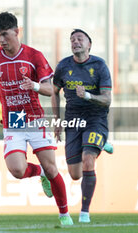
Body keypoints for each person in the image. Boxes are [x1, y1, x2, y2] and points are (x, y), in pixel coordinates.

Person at [0, 12, 73, 225]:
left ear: (16, 31)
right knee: (17, 170)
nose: (1, 40)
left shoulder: (34, 56)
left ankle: (64, 215)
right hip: (13, 119)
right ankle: (38, 172)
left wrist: (34, 86)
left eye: (5, 34)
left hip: (34, 118)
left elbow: (51, 90)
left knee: (53, 169)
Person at [51, 29, 112, 223]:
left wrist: (87, 95)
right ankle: (101, 144)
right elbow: (53, 92)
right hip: (73, 121)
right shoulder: (63, 66)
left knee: (88, 159)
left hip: (96, 119)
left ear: (89, 45)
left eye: (80, 39)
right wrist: (57, 120)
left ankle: (84, 213)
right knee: (75, 174)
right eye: (72, 40)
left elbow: (107, 99)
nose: (75, 42)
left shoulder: (99, 66)